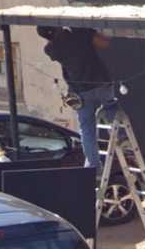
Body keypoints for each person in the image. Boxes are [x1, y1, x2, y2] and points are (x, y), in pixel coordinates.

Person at [37, 26, 116, 168]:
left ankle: (93, 165)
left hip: (80, 92)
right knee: (111, 108)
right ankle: (120, 136)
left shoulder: (51, 49)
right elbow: (104, 43)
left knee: (87, 130)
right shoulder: (79, 33)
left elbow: (60, 45)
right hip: (101, 83)